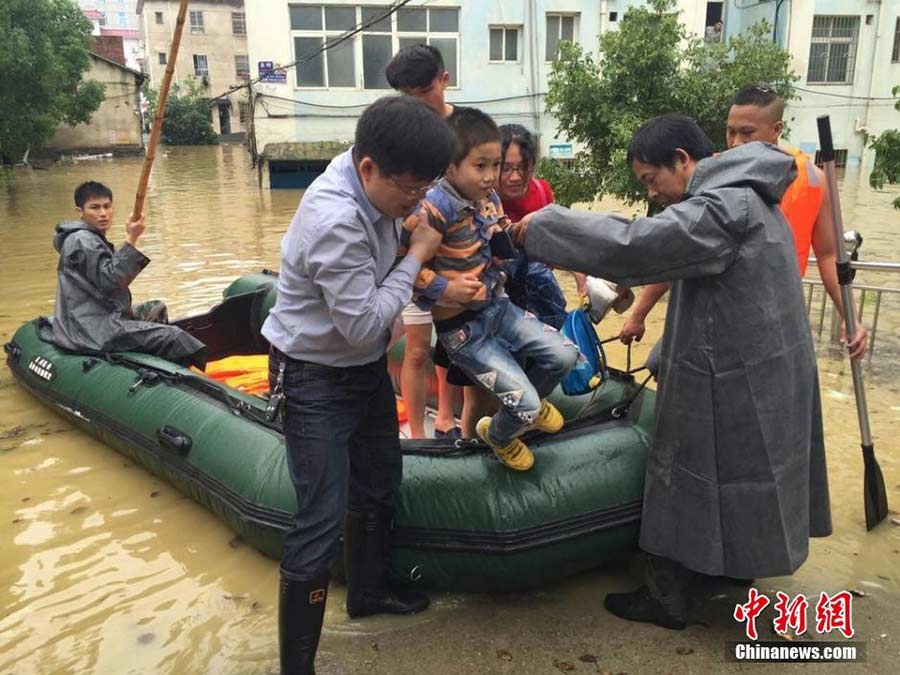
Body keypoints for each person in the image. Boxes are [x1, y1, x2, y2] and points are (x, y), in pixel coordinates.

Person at [510, 114, 831, 628]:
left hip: (731, 379)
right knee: (746, 476)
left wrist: (544, 226)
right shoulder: (753, 199)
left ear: (682, 160)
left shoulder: (722, 208)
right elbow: (713, 291)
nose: (653, 194)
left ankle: (666, 597)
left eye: (651, 179)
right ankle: (733, 568)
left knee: (682, 472)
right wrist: (662, 350)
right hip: (764, 374)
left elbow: (635, 245)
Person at [262, 96, 453, 674]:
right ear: (368, 168)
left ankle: (368, 595)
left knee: (379, 483)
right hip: (314, 375)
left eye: (424, 189)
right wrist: (417, 257)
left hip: (362, 368)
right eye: (410, 191)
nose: (415, 202)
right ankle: (297, 667)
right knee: (319, 521)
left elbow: (367, 333)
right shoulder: (334, 220)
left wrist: (408, 223)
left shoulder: (374, 183)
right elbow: (367, 323)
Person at [620, 84, 868, 360]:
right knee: (661, 363)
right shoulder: (711, 175)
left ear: (776, 129)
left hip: (774, 310)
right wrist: (639, 314)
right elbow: (678, 251)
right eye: (731, 132)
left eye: (747, 133)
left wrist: (850, 317)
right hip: (713, 307)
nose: (736, 143)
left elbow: (828, 255)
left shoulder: (814, 180)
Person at [401, 106, 578, 471]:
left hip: (499, 308)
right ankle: (498, 435)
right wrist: (446, 288)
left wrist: (506, 242)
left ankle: (525, 408)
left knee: (564, 356)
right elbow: (403, 267)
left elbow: (496, 232)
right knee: (524, 405)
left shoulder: (488, 197)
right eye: (480, 166)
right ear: (450, 165)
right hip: (464, 331)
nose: (491, 176)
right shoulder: (432, 210)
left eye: (494, 165)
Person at [386, 43, 462, 439]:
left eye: (425, 92)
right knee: (416, 349)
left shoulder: (466, 129)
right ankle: (417, 432)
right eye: (409, 96)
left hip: (460, 254)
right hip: (415, 255)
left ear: (444, 80)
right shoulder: (400, 134)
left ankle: (447, 415)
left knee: (453, 345)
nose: (418, 104)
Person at [50, 181, 206, 368]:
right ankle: (187, 378)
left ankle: (151, 365)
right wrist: (132, 237)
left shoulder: (86, 237)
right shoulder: (82, 240)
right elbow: (111, 281)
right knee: (175, 337)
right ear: (80, 212)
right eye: (95, 208)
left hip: (97, 317)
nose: (103, 213)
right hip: (93, 329)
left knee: (156, 308)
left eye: (107, 206)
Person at [497, 124, 587, 328]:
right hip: (500, 300)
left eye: (522, 167)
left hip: (541, 297)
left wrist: (580, 275)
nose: (515, 177)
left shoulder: (541, 191)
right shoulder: (483, 202)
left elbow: (558, 243)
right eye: (506, 168)